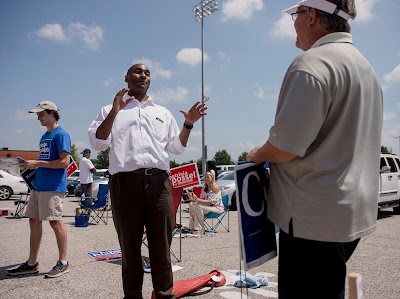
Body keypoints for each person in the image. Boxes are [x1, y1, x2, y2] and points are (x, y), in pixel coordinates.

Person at [246, 1, 383, 298]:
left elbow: (285, 148)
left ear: (311, 17)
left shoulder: (312, 64)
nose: (293, 23)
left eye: (296, 15)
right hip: (350, 214)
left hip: (312, 218)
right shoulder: (365, 68)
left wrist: (258, 153)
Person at [88, 63, 206, 299]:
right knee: (130, 249)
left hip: (159, 184)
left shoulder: (162, 112)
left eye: (147, 73)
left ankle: (165, 294)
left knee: (161, 247)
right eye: (137, 71)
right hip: (124, 184)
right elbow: (98, 142)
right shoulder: (109, 110)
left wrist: (188, 124)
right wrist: (115, 111)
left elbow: (176, 147)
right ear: (126, 78)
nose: (143, 75)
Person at [8, 100, 72, 278]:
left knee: (55, 222)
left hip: (52, 187)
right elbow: (47, 161)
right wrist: (30, 166)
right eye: (37, 115)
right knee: (34, 221)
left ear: (52, 113)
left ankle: (64, 263)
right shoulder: (45, 136)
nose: (38, 118)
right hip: (39, 185)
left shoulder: (61, 134)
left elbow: (65, 162)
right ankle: (32, 263)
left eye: (41, 114)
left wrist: (36, 162)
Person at [187, 171, 223, 236]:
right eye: (205, 177)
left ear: (212, 178)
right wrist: (192, 198)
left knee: (198, 206)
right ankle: (192, 227)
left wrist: (197, 199)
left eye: (208, 177)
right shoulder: (204, 187)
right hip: (207, 207)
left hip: (216, 207)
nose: (206, 178)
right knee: (192, 204)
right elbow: (202, 200)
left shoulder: (215, 187)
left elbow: (210, 203)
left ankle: (200, 229)